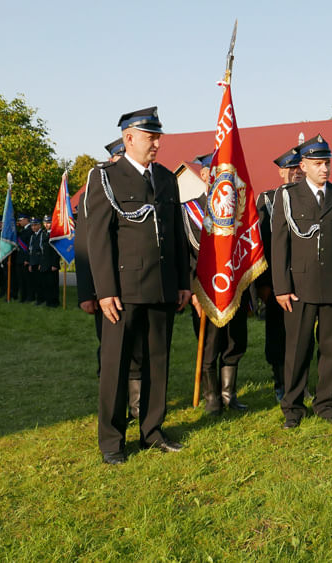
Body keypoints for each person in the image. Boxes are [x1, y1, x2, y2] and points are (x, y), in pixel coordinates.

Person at [85, 107, 191, 464]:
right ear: (129, 137)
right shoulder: (106, 177)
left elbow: (175, 234)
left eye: (158, 136)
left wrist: (182, 282)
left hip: (162, 287)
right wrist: (105, 291)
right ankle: (113, 441)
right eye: (151, 137)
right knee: (115, 368)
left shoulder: (165, 178)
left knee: (157, 364)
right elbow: (98, 239)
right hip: (123, 292)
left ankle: (152, 430)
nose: (157, 143)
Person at [271, 134, 332, 429]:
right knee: (297, 351)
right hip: (299, 288)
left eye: (327, 163)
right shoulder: (288, 196)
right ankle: (293, 408)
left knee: (331, 349)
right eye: (318, 163)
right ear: (304, 165)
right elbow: (279, 245)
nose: (325, 169)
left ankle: (326, 404)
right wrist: (281, 287)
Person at [75, 139, 142, 418]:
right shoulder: (95, 189)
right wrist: (87, 293)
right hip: (105, 288)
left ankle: (137, 406)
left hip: (135, 285)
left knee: (138, 348)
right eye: (118, 158)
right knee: (111, 350)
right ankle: (114, 403)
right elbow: (84, 247)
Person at [184, 153, 249, 415]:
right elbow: (184, 256)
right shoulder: (189, 210)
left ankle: (228, 393)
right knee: (210, 345)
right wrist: (192, 291)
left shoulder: (238, 209)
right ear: (203, 175)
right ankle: (212, 397)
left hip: (234, 289)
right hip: (205, 290)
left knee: (235, 342)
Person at [255, 147, 305, 401]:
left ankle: (300, 381)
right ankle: (280, 381)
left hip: (305, 280)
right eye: (291, 168)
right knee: (277, 334)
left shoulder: (311, 198)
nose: (296, 172)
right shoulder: (268, 199)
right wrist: (263, 283)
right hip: (276, 281)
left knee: (302, 335)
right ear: (281, 171)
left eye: (300, 167)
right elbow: (261, 244)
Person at [40, 215, 60, 307]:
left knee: (53, 284)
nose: (46, 224)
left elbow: (56, 251)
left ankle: (54, 302)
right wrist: (41, 263)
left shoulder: (55, 234)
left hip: (52, 263)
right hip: (44, 263)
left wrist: (55, 264)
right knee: (45, 283)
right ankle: (48, 301)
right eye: (45, 223)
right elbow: (42, 250)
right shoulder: (43, 233)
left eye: (48, 222)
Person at [27, 217, 44, 304]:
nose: (33, 227)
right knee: (34, 282)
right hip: (33, 262)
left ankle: (40, 299)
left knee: (40, 282)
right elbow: (31, 250)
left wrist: (41, 263)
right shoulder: (33, 236)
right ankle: (35, 298)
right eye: (32, 225)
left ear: (39, 225)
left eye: (35, 225)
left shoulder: (42, 234)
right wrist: (30, 263)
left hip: (39, 262)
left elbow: (42, 251)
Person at [15, 213, 32, 302]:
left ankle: (29, 297)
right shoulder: (22, 230)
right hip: (19, 258)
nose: (19, 222)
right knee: (21, 279)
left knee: (27, 280)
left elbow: (29, 246)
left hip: (25, 259)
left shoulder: (30, 230)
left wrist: (27, 259)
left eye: (21, 220)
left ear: (26, 219)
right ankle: (23, 297)